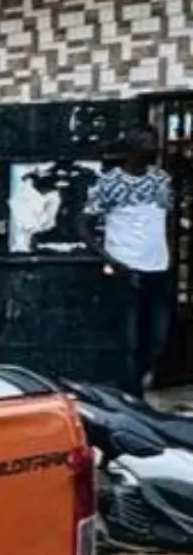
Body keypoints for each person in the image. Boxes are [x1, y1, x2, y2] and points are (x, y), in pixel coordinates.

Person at [86, 127, 175, 394]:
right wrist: (111, 261)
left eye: (155, 145)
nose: (154, 150)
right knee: (130, 342)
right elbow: (82, 225)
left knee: (158, 339)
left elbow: (165, 218)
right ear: (133, 148)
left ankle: (139, 384)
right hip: (126, 270)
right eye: (148, 145)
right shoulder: (108, 182)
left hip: (158, 269)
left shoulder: (161, 179)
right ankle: (131, 397)